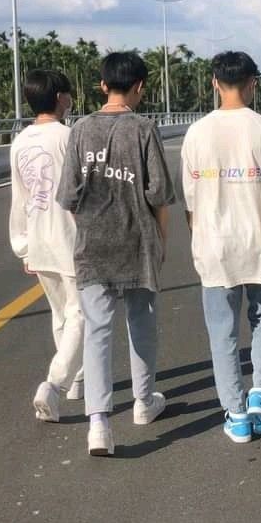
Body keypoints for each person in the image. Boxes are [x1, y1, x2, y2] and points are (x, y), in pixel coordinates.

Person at [56, 52, 175, 456]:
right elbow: (158, 194)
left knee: (98, 330)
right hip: (136, 242)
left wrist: (87, 229)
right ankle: (143, 403)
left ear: (103, 85)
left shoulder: (80, 129)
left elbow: (68, 196)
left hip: (93, 245)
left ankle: (99, 424)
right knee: (141, 322)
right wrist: (160, 240)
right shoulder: (143, 128)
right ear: (140, 86)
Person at [179, 51, 261, 444]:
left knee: (222, 332)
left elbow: (191, 200)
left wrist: (199, 238)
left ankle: (236, 412)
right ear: (252, 83)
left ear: (214, 82)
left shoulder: (197, 133)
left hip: (214, 246)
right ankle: (260, 391)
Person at [9, 69, 84, 423]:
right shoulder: (70, 137)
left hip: (38, 237)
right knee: (80, 314)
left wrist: (23, 245)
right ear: (59, 98)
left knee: (61, 315)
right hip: (70, 238)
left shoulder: (20, 141)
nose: (70, 99)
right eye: (68, 94)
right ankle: (54, 384)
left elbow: (19, 198)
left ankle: (77, 379)